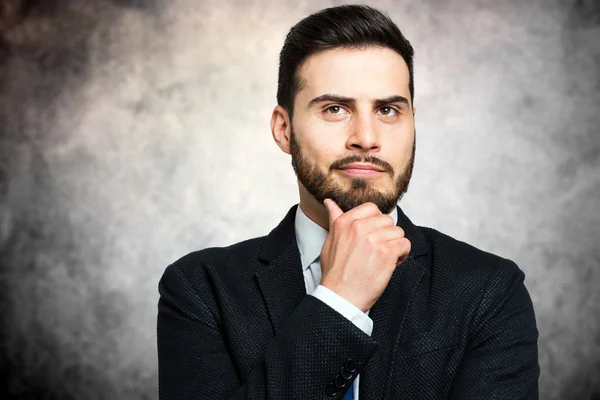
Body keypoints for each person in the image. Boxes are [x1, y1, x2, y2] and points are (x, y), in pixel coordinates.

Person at [156, 4, 539, 399]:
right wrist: (340, 301)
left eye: (388, 110)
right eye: (335, 109)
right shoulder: (201, 289)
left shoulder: (489, 289)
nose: (367, 137)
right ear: (284, 130)